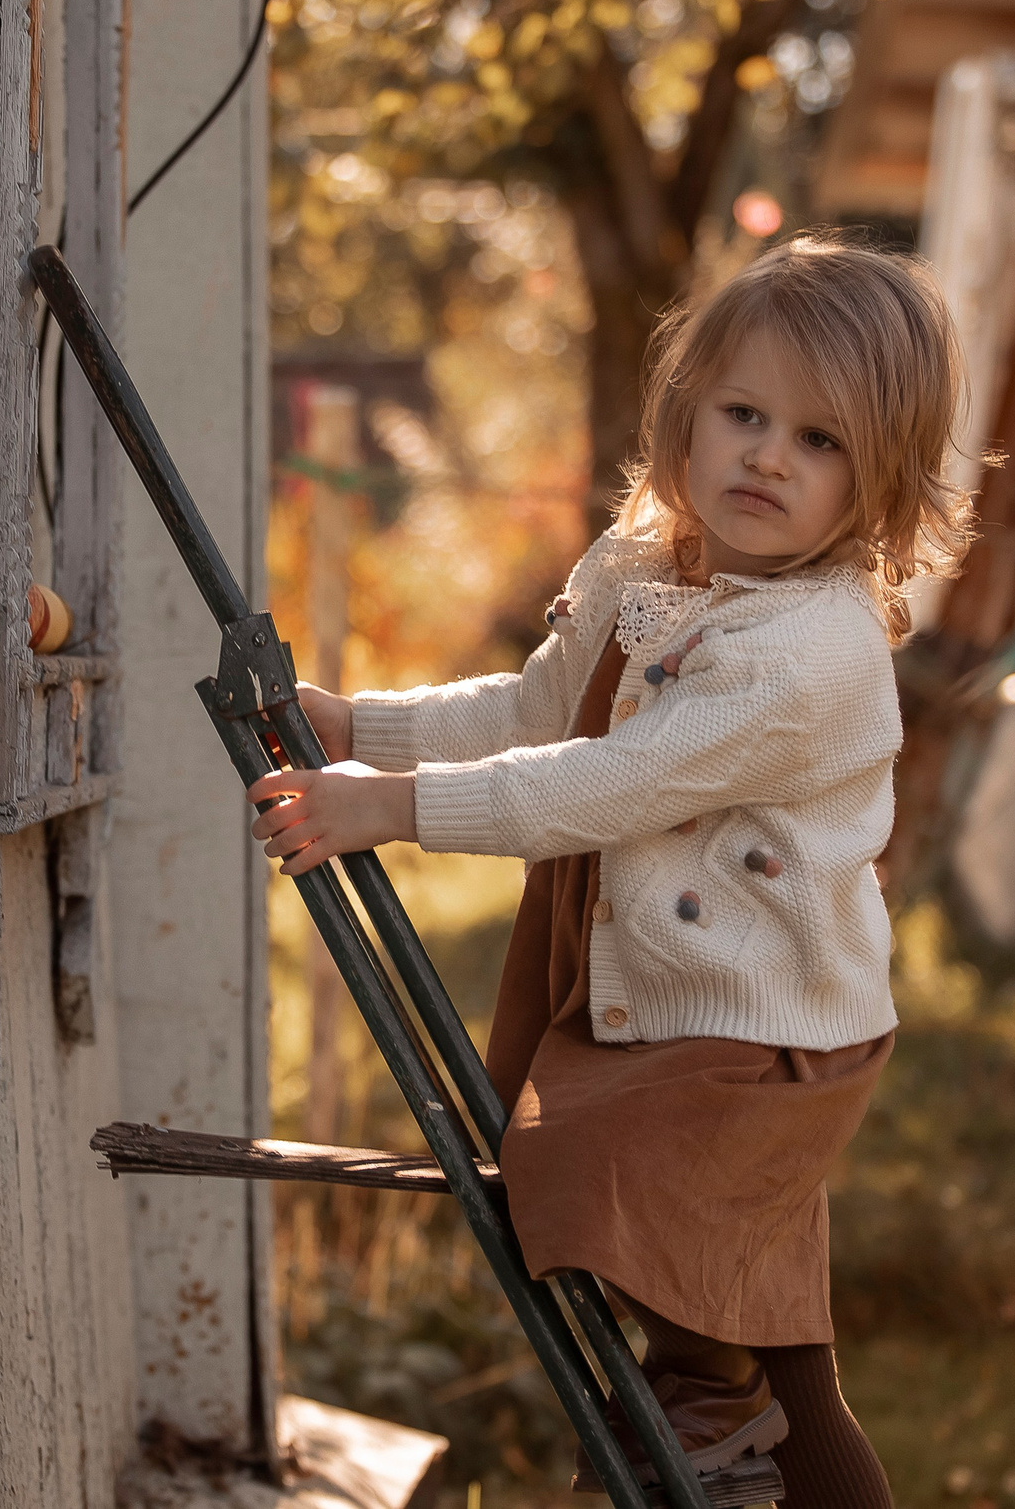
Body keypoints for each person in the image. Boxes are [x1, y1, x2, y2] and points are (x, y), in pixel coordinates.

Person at [245, 235, 976, 1509]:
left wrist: (394, 811)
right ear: (686, 415)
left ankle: (700, 1422)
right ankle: (743, 1411)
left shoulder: (813, 655)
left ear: (881, 484)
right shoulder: (645, 570)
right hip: (674, 988)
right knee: (792, 1359)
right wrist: (368, 728)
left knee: (593, 1165)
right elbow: (540, 708)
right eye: (744, 414)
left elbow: (608, 781)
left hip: (765, 1031)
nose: (764, 456)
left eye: (820, 442)